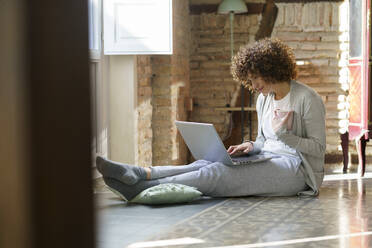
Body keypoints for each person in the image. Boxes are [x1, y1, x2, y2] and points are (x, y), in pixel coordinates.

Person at [96, 38, 326, 201]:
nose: (254, 86)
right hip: (267, 158)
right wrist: (250, 146)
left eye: (256, 78)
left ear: (272, 70)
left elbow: (318, 149)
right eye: (250, 80)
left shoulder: (307, 98)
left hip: (296, 171)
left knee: (215, 174)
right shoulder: (264, 99)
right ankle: (141, 173)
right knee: (205, 164)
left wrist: (288, 137)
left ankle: (140, 189)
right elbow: (263, 140)